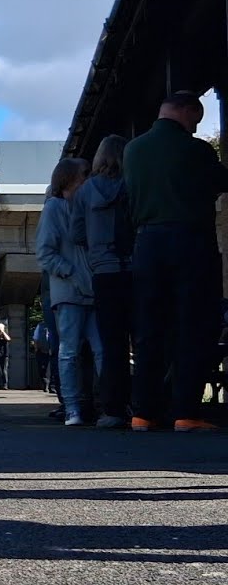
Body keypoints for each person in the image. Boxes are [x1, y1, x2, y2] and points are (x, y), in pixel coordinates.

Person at [124, 90, 228, 432]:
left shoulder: (133, 150)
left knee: (149, 329)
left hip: (147, 244)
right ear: (185, 110)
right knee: (193, 326)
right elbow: (220, 181)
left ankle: (143, 412)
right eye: (195, 120)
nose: (195, 128)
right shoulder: (195, 149)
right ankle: (186, 412)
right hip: (190, 241)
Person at [69, 134, 133, 428]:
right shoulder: (133, 184)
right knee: (146, 338)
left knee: (112, 343)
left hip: (103, 271)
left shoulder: (84, 192)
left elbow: (77, 234)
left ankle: (113, 409)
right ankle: (148, 407)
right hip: (136, 267)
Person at [36, 157, 104, 427]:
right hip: (70, 292)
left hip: (91, 290)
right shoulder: (55, 208)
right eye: (84, 174)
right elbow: (45, 253)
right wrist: (72, 273)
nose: (89, 179)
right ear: (69, 179)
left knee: (99, 350)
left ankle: (102, 404)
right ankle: (73, 407)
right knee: (70, 351)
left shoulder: (88, 208)